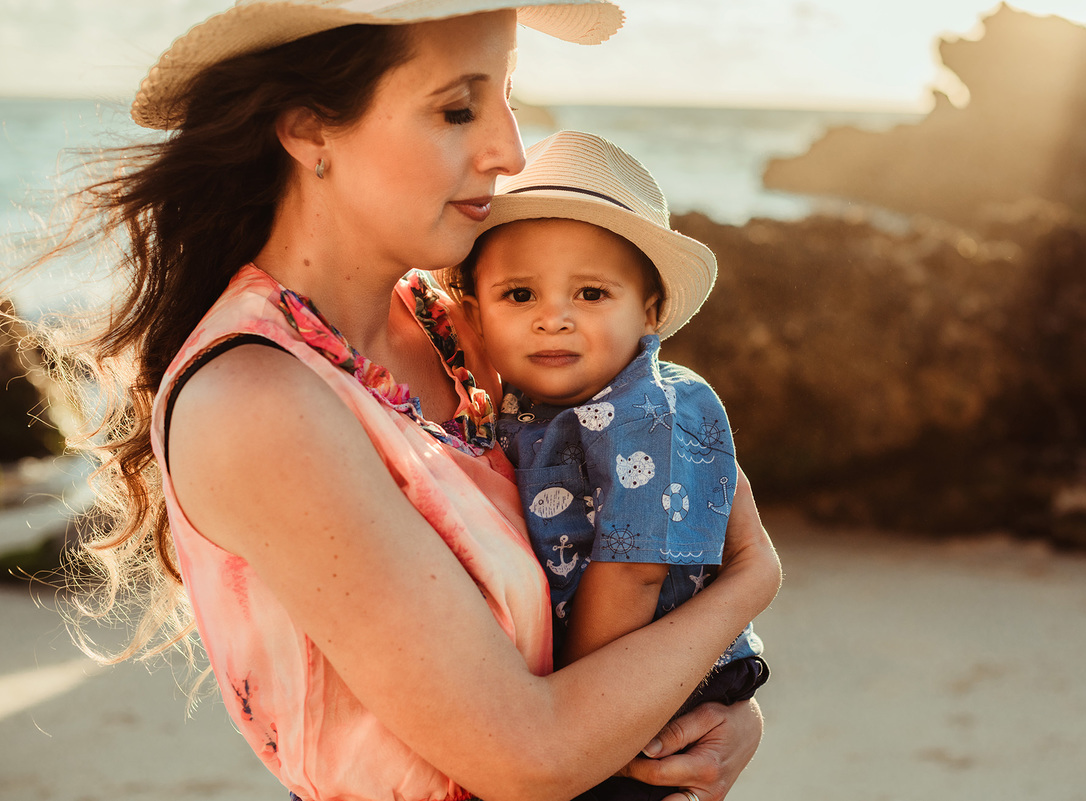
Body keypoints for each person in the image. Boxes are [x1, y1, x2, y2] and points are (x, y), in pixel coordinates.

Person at [38, 3, 780, 801]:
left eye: (508, 99)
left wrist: (717, 720)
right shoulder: (257, 399)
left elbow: (606, 546)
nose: (508, 151)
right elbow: (529, 753)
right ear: (309, 129)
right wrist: (749, 582)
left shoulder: (457, 326)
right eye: (458, 108)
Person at [448, 130, 768, 801]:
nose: (554, 318)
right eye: (519, 295)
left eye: (591, 294)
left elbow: (635, 567)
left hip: (639, 687)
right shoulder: (527, 405)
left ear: (648, 312)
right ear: (473, 314)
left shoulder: (648, 410)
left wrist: (577, 701)